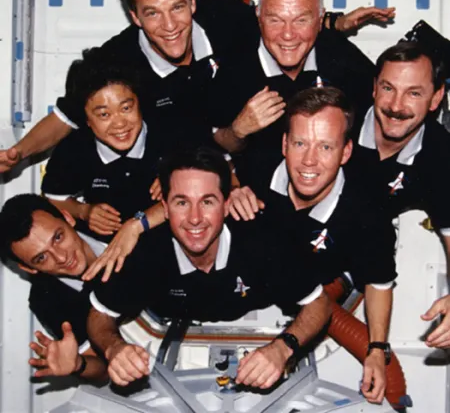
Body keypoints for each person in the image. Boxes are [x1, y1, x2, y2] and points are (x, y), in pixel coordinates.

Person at [0, 0, 394, 174]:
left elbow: (282, 20)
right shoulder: (114, 61)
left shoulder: (228, 18)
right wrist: (18, 154)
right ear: (134, 16)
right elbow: (65, 118)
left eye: (177, 7)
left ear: (193, 0)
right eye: (152, 13)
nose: (169, 25)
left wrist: (336, 23)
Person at [86, 147, 331, 388]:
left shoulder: (262, 240)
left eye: (207, 202)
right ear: (165, 207)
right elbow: (99, 313)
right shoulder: (147, 252)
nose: (195, 218)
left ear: (226, 205)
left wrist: (282, 348)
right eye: (182, 202)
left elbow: (319, 303)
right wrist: (114, 348)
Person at [227, 87, 397, 404]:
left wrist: (376, 350)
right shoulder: (255, 168)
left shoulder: (367, 210)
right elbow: (207, 161)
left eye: (325, 147)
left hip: (320, 289)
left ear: (346, 152)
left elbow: (378, 281)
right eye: (300, 143)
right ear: (284, 144)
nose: (308, 160)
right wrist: (231, 188)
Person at [211, 0, 387, 186]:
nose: (288, 34)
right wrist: (239, 130)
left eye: (301, 20)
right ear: (258, 16)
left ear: (320, 19)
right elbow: (212, 144)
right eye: (275, 20)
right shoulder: (233, 67)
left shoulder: (342, 59)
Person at [343, 41, 450, 349]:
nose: (396, 105)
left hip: (363, 258)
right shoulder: (339, 117)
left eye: (414, 93)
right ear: (374, 87)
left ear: (435, 98)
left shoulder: (440, 156)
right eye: (388, 88)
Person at [42, 49, 165, 243]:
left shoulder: (170, 130)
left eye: (126, 108)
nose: (119, 124)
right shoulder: (74, 150)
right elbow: (52, 196)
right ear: (86, 120)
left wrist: (180, 174)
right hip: (108, 250)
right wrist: (84, 211)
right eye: (104, 115)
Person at [0, 194, 109, 381]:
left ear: (67, 218)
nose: (61, 258)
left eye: (58, 237)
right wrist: (78, 364)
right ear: (28, 268)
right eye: (41, 258)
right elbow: (103, 371)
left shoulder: (108, 220)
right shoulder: (46, 301)